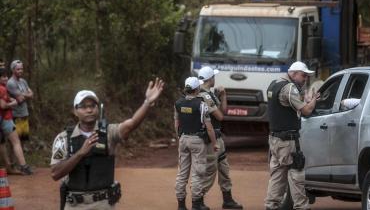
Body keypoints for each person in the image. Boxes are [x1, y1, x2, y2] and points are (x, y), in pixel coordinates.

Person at [51, 78, 164, 210]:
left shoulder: (109, 133)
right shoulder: (64, 138)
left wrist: (147, 102)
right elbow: (55, 173)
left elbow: (131, 124)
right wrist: (80, 153)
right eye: (83, 106)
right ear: (75, 111)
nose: (89, 110)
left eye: (92, 106)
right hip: (74, 205)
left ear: (98, 109)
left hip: (103, 204)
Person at [264, 61, 319, 210]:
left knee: (277, 176)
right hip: (287, 141)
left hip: (275, 139)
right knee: (296, 175)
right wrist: (313, 101)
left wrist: (303, 98)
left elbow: (287, 105)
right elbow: (306, 111)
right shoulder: (289, 88)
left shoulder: (274, 84)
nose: (305, 79)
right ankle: (301, 207)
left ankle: (271, 206)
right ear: (293, 73)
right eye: (303, 76)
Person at [198, 66, 243, 209]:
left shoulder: (210, 94)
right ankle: (197, 200)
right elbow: (220, 116)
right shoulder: (203, 95)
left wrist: (223, 96)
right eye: (213, 77)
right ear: (210, 78)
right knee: (210, 171)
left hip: (218, 137)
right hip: (210, 140)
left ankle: (227, 199)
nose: (215, 79)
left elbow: (223, 111)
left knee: (224, 169)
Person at [174, 77, 218, 210]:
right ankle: (196, 205)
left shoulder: (178, 103)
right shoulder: (201, 104)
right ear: (197, 89)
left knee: (182, 173)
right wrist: (215, 143)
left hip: (183, 139)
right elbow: (209, 127)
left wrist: (179, 137)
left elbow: (176, 123)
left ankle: (181, 205)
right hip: (197, 141)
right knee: (197, 174)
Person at [0, 68, 33, 175]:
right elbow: (3, 105)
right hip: (6, 118)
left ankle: (9, 166)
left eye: (6, 76)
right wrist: (12, 103)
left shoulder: (5, 88)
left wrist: (11, 100)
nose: (5, 78)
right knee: (15, 142)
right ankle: (23, 166)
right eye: (3, 76)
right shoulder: (2, 88)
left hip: (6, 118)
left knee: (3, 143)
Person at [7, 60, 34, 141]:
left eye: (21, 69)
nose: (20, 71)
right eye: (18, 69)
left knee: (23, 140)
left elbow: (32, 94)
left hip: (24, 114)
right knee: (16, 142)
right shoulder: (11, 83)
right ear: (13, 70)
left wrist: (23, 94)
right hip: (16, 116)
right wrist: (26, 94)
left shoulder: (23, 81)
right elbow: (20, 99)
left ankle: (21, 154)